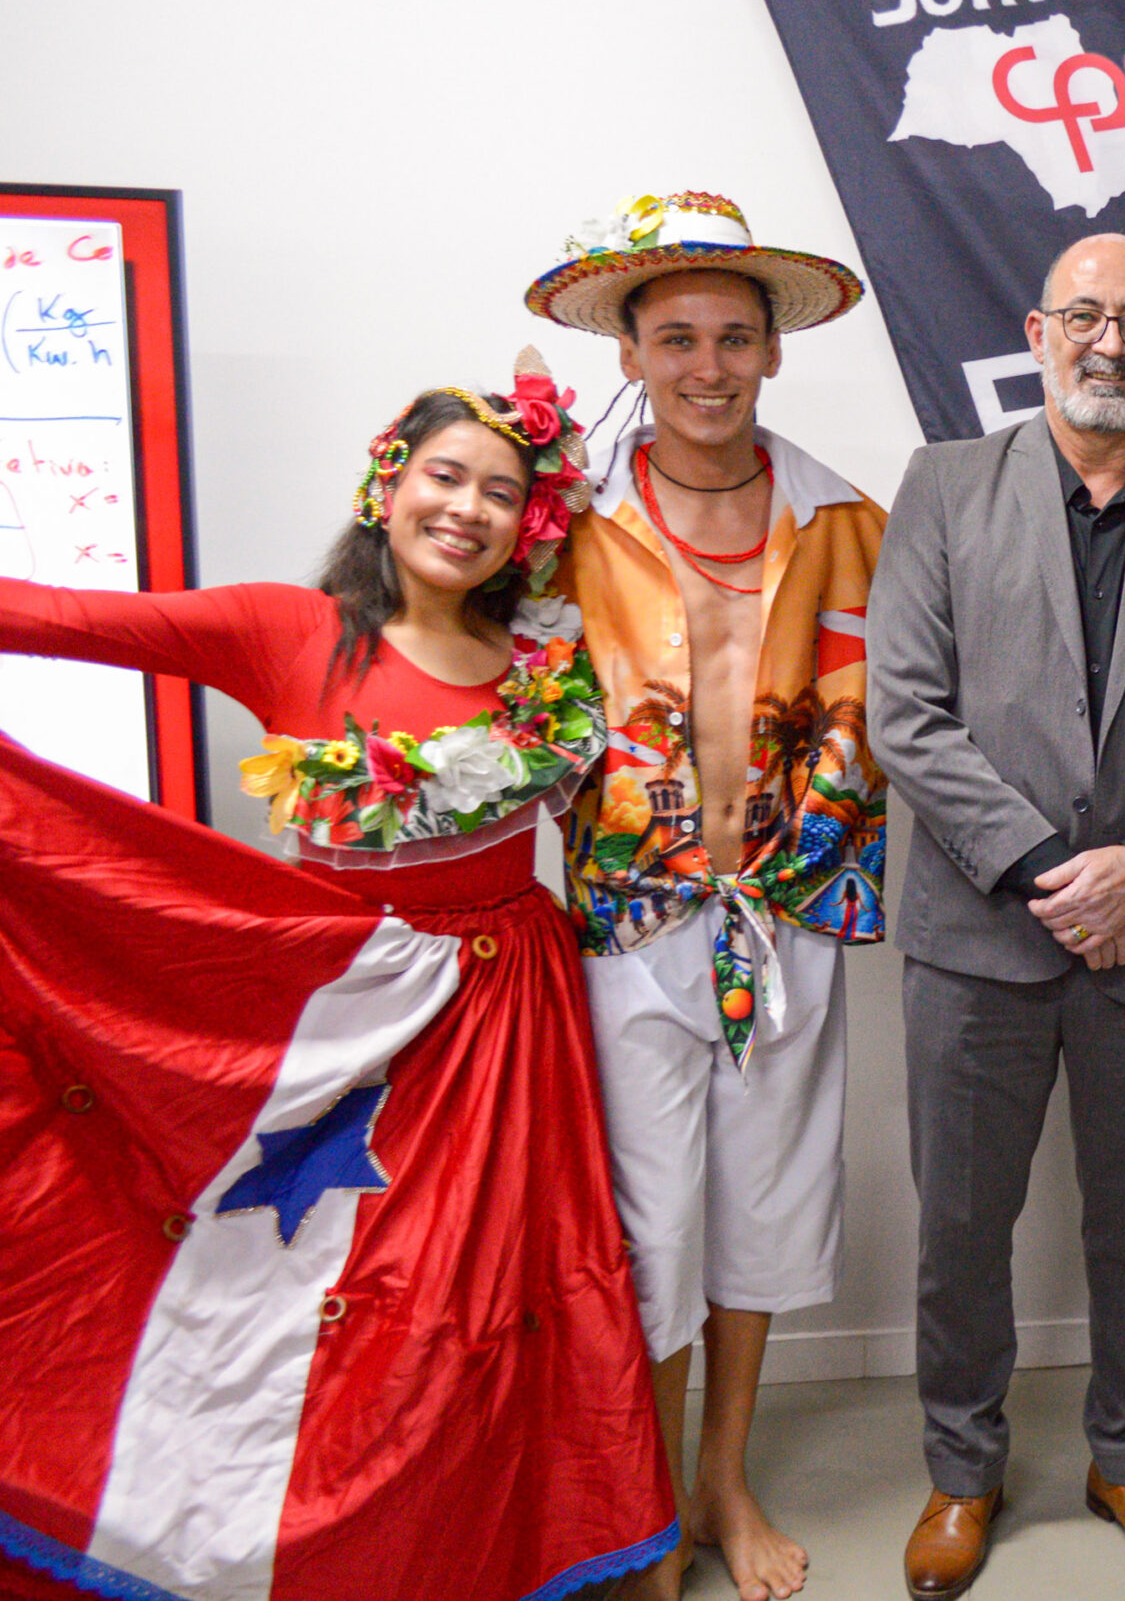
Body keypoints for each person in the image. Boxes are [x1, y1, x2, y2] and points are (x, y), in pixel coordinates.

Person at [0, 357, 677, 1601]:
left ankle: (467, 1551)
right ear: (388, 483)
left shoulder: (547, 664)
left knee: (470, 1303)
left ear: (529, 523)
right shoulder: (286, 627)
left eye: (501, 492)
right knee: (315, 1299)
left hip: (504, 1015)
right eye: (445, 477)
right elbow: (59, 618)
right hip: (335, 1021)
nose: (465, 509)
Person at [868, 232, 1125, 1600]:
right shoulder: (943, 485)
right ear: (1040, 332)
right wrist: (1062, 873)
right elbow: (905, 717)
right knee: (959, 1229)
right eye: (1087, 316)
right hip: (976, 940)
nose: (1112, 343)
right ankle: (962, 1471)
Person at [523, 191, 888, 1601]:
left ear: (773, 353)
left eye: (735, 337)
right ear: (628, 355)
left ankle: (722, 1481)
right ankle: (643, 1506)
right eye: (676, 339)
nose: (709, 367)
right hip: (633, 925)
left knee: (766, 1212)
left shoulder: (848, 520)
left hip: (788, 913)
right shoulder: (565, 527)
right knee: (650, 1225)